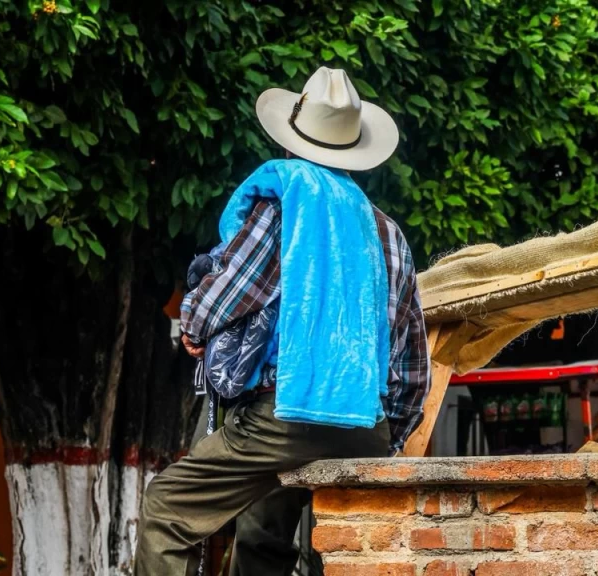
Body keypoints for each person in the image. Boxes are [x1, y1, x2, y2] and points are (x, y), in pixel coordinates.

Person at [135, 66, 430, 576]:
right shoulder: (389, 234)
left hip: (287, 420)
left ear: (292, 144)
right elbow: (411, 367)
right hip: (367, 425)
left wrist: (193, 327)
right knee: (263, 528)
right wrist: (387, 438)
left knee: (166, 509)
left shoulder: (287, 206)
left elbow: (224, 299)